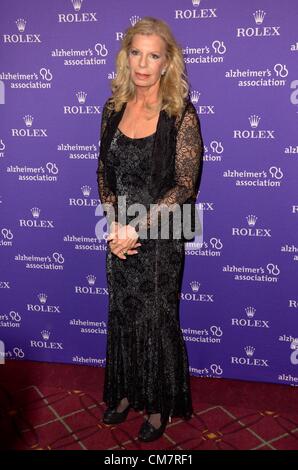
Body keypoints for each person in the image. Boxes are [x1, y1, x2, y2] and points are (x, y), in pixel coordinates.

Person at [96, 17, 204, 443]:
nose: (143, 63)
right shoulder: (112, 109)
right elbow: (104, 171)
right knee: (122, 315)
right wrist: (115, 222)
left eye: (153, 55)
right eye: (136, 52)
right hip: (119, 234)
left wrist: (136, 227)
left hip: (161, 233)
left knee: (157, 320)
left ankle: (158, 406)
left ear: (166, 63)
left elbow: (185, 185)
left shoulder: (180, 114)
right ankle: (125, 393)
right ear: (127, 57)